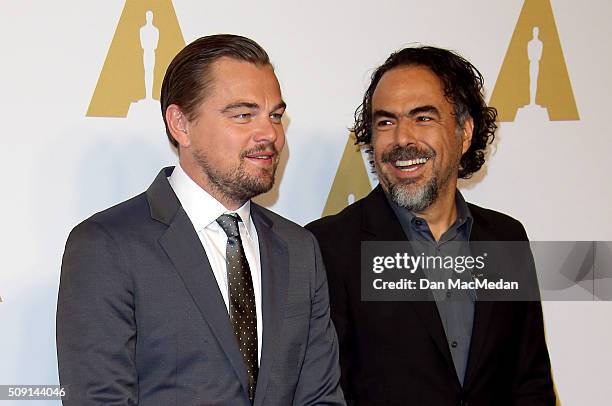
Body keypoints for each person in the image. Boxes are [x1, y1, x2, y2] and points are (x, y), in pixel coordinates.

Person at [57, 34, 344, 406]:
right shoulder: (106, 246)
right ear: (181, 124)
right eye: (243, 115)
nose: (270, 134)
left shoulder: (299, 248)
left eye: (275, 115)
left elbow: (320, 397)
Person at [306, 46, 555, 405]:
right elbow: (322, 394)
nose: (402, 138)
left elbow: (531, 383)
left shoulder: (505, 238)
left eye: (423, 118)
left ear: (464, 132)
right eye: (385, 121)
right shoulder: (328, 246)